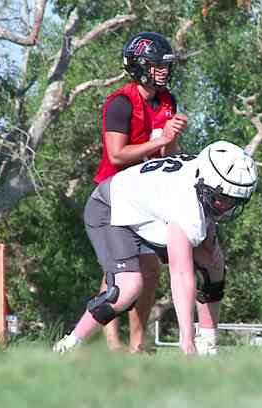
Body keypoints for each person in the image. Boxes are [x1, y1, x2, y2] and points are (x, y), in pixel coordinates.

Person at [53, 141, 258, 355]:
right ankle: (68, 345)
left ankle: (209, 345)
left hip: (147, 213)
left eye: (233, 201)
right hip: (110, 209)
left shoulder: (202, 177)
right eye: (221, 199)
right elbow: (180, 275)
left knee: (213, 263)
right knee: (126, 289)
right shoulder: (186, 201)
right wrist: (186, 340)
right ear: (206, 183)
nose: (225, 206)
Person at [93, 31, 187, 353]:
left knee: (149, 267)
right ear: (139, 66)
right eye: (157, 65)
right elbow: (117, 155)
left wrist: (171, 138)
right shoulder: (120, 103)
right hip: (114, 193)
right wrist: (160, 141)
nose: (163, 70)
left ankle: (137, 341)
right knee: (119, 269)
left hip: (146, 195)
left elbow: (165, 155)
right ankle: (111, 343)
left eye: (165, 65)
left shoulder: (167, 100)